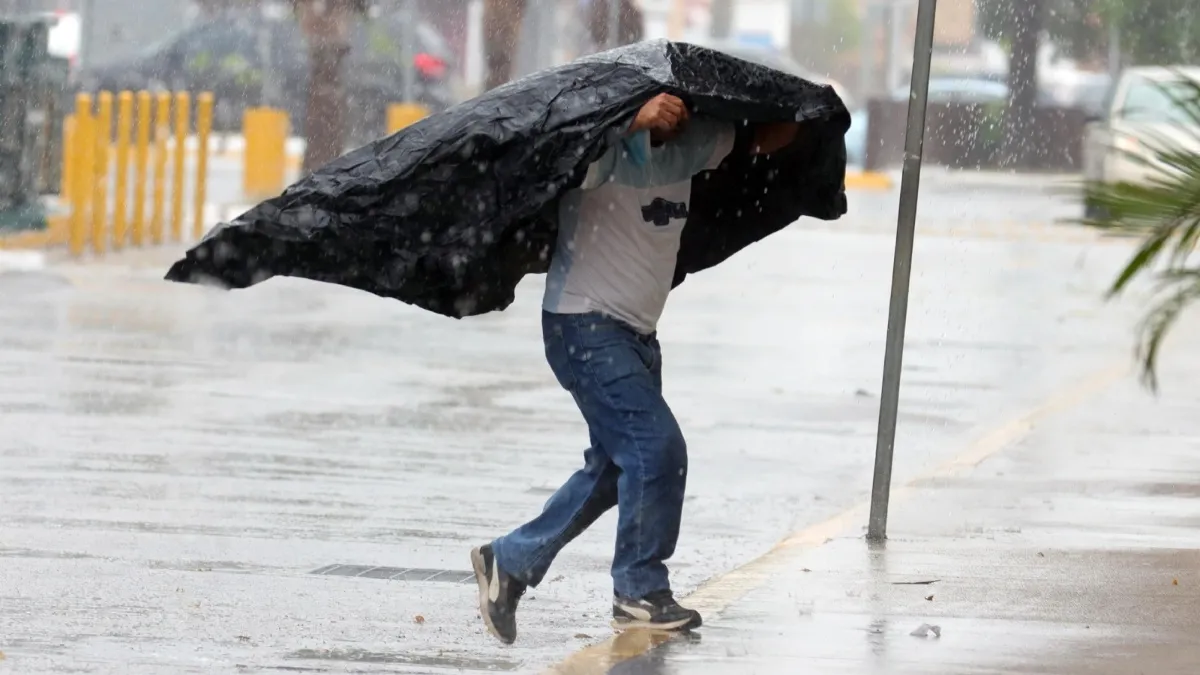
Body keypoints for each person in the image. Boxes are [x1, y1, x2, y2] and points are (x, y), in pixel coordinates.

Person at [471, 94, 803, 644]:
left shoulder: (696, 144)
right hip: (583, 326)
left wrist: (806, 107)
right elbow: (551, 152)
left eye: (681, 101)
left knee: (614, 471)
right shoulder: (597, 150)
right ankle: (639, 590)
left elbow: (763, 137)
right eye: (662, 101)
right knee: (656, 450)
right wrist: (630, 119)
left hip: (637, 338)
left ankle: (508, 561)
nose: (673, 111)